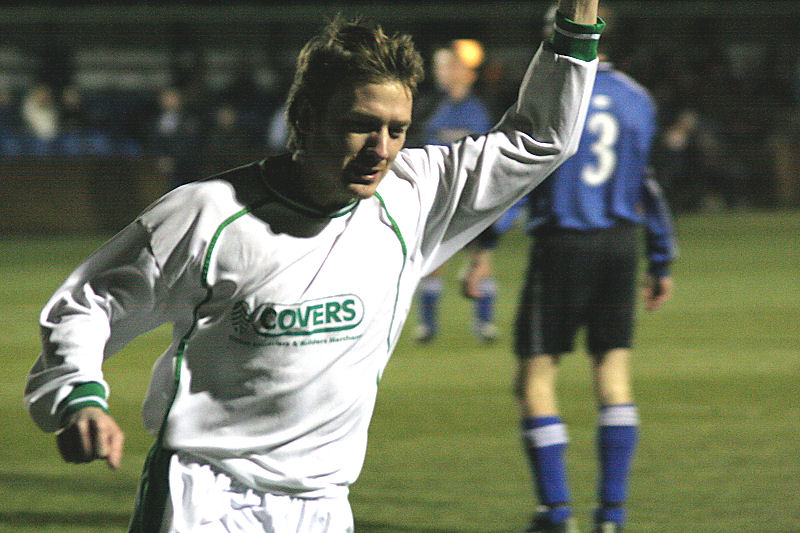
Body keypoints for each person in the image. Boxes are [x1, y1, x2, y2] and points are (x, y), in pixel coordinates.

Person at [24, 5, 604, 533]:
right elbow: (88, 302)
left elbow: (539, 140)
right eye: (360, 124)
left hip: (325, 505)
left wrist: (576, 24)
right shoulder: (210, 213)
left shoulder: (413, 197)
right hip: (205, 496)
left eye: (397, 130)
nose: (381, 148)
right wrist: (78, 396)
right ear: (304, 116)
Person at [507, 5, 676, 533]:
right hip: (621, 245)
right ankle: (612, 515)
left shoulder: (552, 94)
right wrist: (661, 257)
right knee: (613, 370)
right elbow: (647, 184)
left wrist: (481, 244)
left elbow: (520, 175)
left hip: (563, 244)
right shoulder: (638, 98)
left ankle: (558, 513)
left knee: (536, 376)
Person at [408, 38, 500, 343]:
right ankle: (428, 327)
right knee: (432, 262)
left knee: (480, 261)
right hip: (439, 197)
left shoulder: (482, 110)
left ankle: (484, 324)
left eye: (448, 65)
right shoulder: (429, 108)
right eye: (439, 66)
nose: (442, 72)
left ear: (466, 72)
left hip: (474, 197)